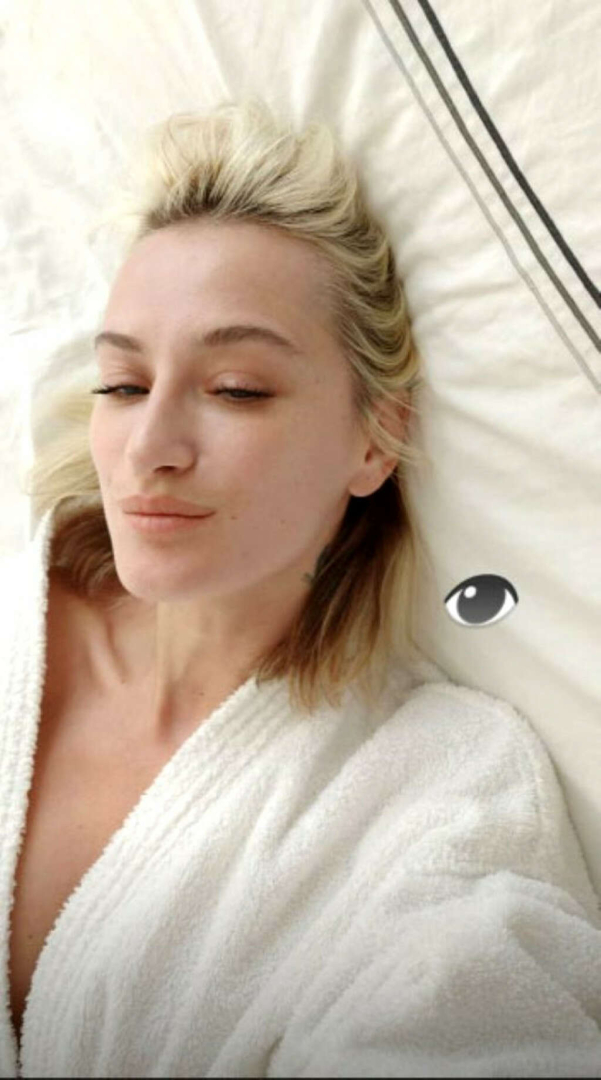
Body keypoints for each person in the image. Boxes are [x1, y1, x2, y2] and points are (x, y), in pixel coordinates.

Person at [1, 98, 600, 1078]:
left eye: (236, 389)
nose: (149, 449)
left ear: (374, 438)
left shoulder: (442, 787)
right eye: (122, 385)